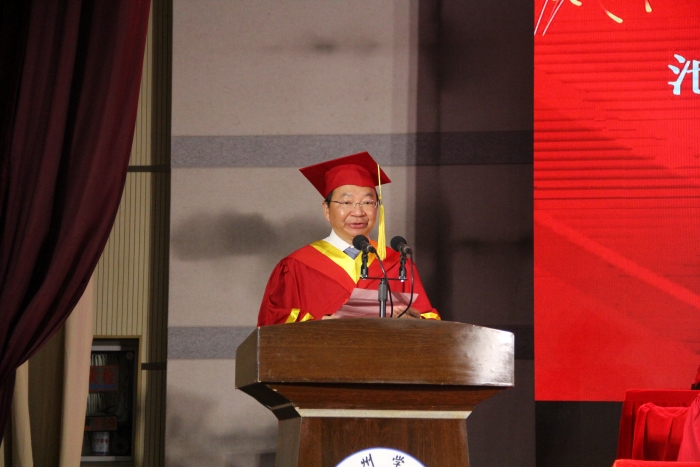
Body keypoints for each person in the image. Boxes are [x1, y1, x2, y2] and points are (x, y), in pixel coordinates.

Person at [257, 151, 440, 326]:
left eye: (367, 202)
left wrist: (411, 322)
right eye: (346, 202)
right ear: (326, 209)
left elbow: (430, 322)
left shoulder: (397, 264)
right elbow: (272, 325)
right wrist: (324, 324)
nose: (358, 212)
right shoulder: (296, 267)